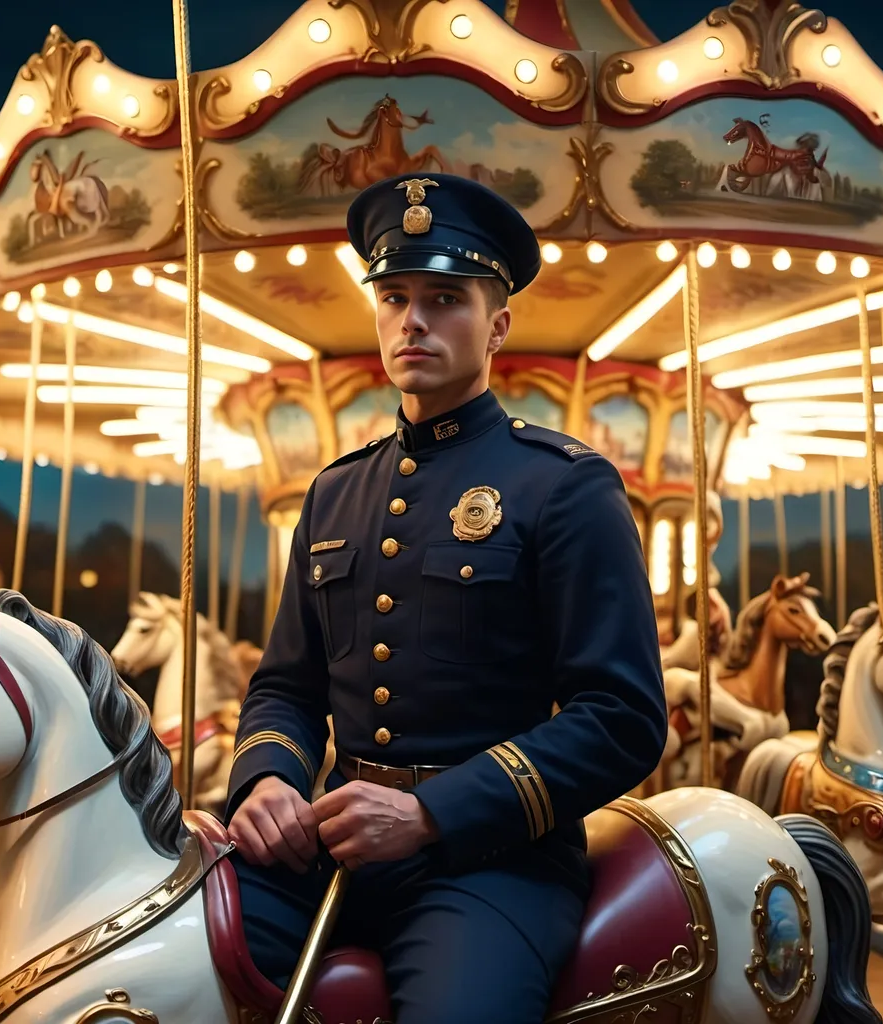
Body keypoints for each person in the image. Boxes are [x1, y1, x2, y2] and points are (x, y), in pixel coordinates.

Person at [224, 172, 668, 1023]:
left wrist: (429, 814)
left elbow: (621, 716)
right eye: (393, 297)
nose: (413, 320)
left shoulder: (565, 488)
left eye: (445, 298)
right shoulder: (334, 494)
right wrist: (269, 781)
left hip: (492, 860)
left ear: (498, 324)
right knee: (150, 945)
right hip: (327, 840)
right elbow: (286, 686)